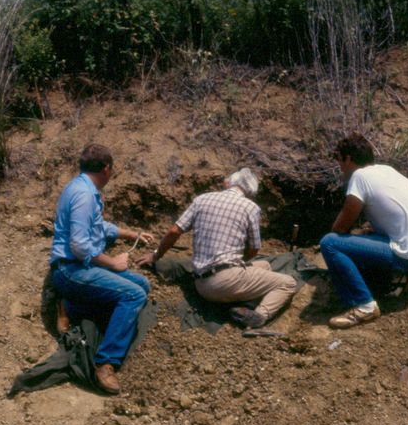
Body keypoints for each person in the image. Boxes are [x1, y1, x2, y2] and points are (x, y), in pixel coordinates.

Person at [50, 144, 153, 394]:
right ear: (107, 169)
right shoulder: (85, 195)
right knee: (134, 295)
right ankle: (106, 362)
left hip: (79, 267)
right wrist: (113, 263)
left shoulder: (84, 188)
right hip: (71, 270)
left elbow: (97, 227)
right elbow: (78, 245)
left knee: (143, 285)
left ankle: (72, 306)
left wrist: (129, 234)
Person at [138, 168, 296, 332]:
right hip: (225, 282)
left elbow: (174, 231)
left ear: (227, 183)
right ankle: (258, 317)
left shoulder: (201, 199)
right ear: (250, 193)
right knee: (288, 283)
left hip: (201, 283)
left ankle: (242, 303)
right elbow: (254, 249)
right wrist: (237, 261)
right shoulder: (250, 207)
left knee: (264, 266)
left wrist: (155, 255)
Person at [320, 133, 408, 328]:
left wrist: (340, 237)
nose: (339, 165)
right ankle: (401, 276)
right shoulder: (386, 170)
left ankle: (364, 306)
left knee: (330, 243)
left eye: (339, 158)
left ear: (349, 158)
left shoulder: (359, 176)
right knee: (365, 237)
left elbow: (340, 227)